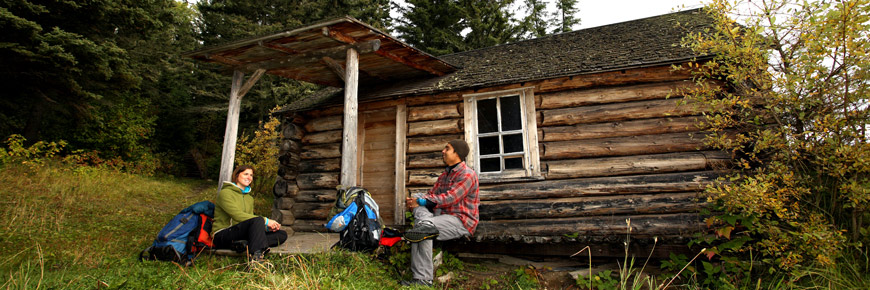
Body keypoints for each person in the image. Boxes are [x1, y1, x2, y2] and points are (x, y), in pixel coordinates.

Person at [401, 140, 479, 287]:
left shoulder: (468, 174)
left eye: (447, 149)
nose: (443, 151)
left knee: (423, 224)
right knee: (423, 222)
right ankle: (424, 226)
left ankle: (423, 279)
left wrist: (421, 202)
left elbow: (450, 198)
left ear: (457, 154)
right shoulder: (444, 176)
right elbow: (431, 194)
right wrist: (416, 200)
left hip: (460, 221)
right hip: (438, 219)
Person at [212, 165, 287, 262]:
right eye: (246, 174)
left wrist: (265, 227)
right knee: (258, 220)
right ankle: (256, 259)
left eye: (251, 175)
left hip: (240, 234)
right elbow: (237, 215)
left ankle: (243, 244)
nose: (249, 177)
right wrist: (265, 221)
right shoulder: (225, 193)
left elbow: (250, 221)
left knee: (281, 235)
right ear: (237, 175)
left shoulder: (249, 198)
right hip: (223, 234)